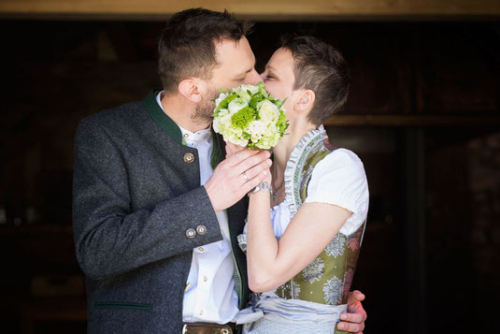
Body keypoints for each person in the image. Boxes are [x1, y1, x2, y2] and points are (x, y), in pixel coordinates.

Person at [72, 8, 367, 333]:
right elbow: (97, 252)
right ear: (193, 89)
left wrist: (333, 305)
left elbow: (288, 247)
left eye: (258, 69)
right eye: (243, 77)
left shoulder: (250, 139)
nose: (256, 83)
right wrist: (207, 200)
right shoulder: (108, 134)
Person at [229, 35, 369, 333]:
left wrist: (258, 181)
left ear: (303, 99)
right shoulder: (245, 161)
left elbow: (264, 277)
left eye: (270, 75)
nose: (255, 82)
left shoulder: (339, 166)